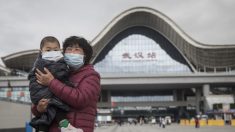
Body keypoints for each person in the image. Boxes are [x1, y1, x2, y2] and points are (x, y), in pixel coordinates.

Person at [31, 36, 101, 132]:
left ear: (85, 55)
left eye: (77, 49)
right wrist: (38, 108)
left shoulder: (91, 76)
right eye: (69, 49)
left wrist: (52, 82)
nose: (72, 52)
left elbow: (80, 99)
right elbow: (41, 101)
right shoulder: (60, 72)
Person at [28, 36, 79, 132]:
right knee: (57, 105)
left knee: (49, 111)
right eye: (48, 50)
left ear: (60, 50)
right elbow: (61, 76)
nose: (52, 52)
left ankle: (43, 129)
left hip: (45, 95)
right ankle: (65, 126)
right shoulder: (41, 63)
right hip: (41, 92)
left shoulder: (61, 62)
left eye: (55, 49)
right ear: (41, 51)